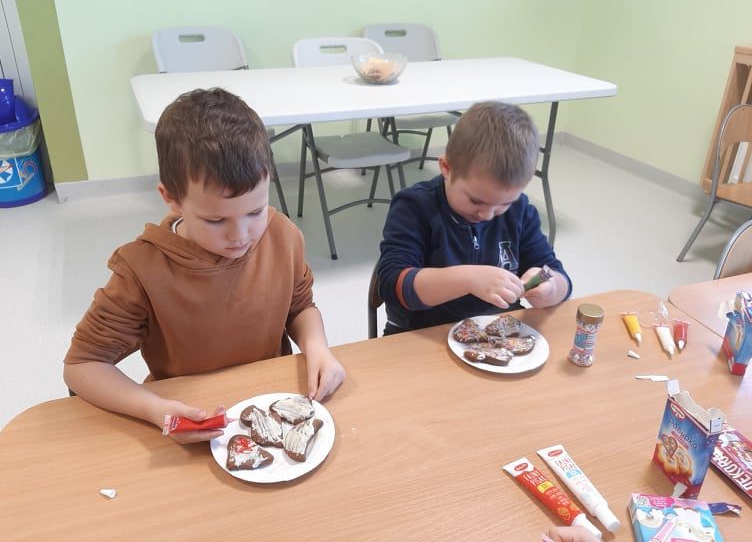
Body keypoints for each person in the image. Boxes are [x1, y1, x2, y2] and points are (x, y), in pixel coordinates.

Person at [64, 88, 345, 443]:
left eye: (255, 211)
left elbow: (300, 307)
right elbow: (81, 366)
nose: (240, 235)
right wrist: (154, 409)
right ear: (171, 198)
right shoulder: (141, 270)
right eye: (215, 220)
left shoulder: (282, 236)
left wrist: (317, 346)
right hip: (191, 416)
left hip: (268, 411)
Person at [377, 101, 571, 334]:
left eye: (504, 204)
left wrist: (551, 288)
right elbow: (392, 284)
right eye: (476, 201)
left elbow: (558, 276)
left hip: (496, 330)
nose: (487, 215)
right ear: (446, 168)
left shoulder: (520, 212)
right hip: (421, 332)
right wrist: (466, 279)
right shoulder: (414, 206)